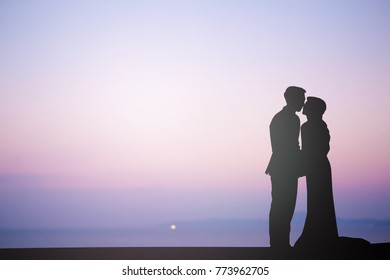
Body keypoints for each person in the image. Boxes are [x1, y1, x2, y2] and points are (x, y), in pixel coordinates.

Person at [294, 97, 338, 250]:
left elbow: (311, 150)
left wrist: (301, 166)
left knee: (318, 200)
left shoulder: (308, 126)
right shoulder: (319, 125)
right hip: (319, 166)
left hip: (316, 166)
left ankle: (315, 236)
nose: (304, 105)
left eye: (307, 104)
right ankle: (322, 234)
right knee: (318, 200)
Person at [266, 86, 306, 249]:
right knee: (282, 205)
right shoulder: (287, 119)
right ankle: (278, 243)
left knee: (285, 206)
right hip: (284, 167)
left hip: (285, 166)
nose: (302, 103)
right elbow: (289, 146)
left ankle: (280, 242)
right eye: (301, 99)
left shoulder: (287, 118)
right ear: (292, 99)